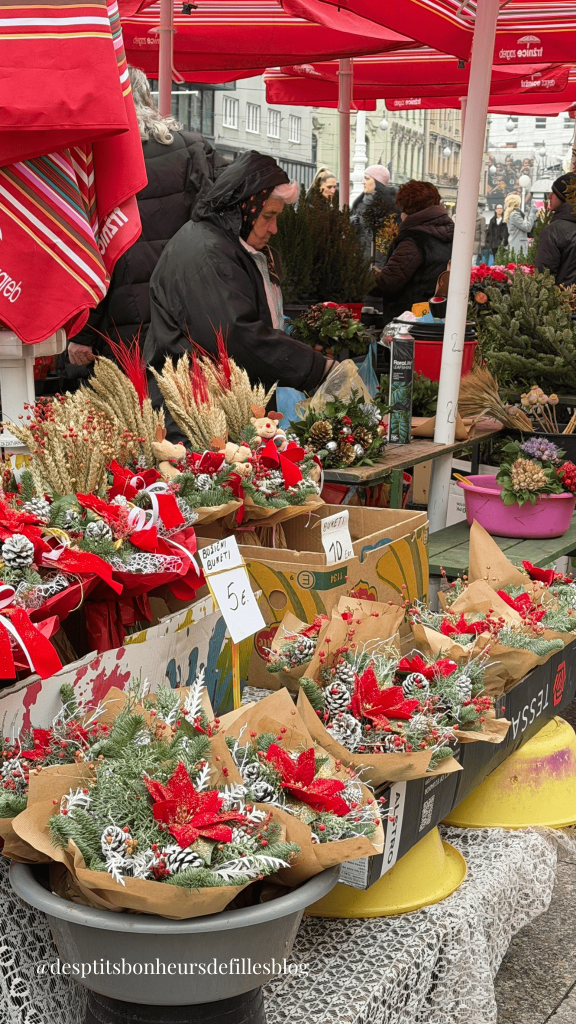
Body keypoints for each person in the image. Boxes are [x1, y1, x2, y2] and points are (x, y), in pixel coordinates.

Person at [145, 150, 331, 437]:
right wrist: (315, 367)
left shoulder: (226, 244)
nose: (274, 228)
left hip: (212, 410)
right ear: (245, 208)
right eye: (268, 216)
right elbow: (237, 336)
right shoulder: (208, 253)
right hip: (194, 416)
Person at [64, 67, 226, 384]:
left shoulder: (94, 159)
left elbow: (96, 252)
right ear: (146, 99)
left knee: (135, 421)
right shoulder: (193, 150)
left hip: (126, 320)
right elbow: (218, 231)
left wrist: (83, 332)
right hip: (188, 312)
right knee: (188, 414)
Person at [372, 179, 454, 323]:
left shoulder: (414, 240)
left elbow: (389, 282)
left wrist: (367, 275)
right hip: (436, 318)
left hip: (409, 321)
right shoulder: (448, 232)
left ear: (407, 210)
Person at [351, 165, 399, 268]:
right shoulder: (360, 203)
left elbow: (387, 242)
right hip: (360, 262)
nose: (363, 182)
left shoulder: (390, 207)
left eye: (367, 178)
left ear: (378, 182)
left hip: (380, 265)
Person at [535, 173, 576, 285]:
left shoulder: (554, 231)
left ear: (564, 198)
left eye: (554, 193)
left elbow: (543, 278)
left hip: (563, 299)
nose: (549, 196)